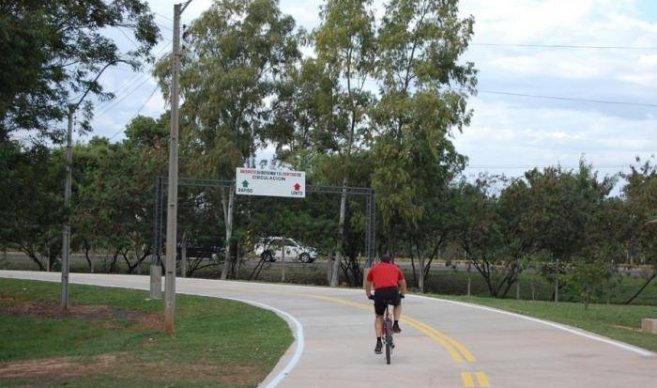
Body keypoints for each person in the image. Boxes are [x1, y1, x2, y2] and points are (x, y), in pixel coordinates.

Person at [365, 253, 407, 354]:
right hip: (393, 291)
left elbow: (368, 283)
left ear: (380, 261)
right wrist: (402, 294)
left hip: (379, 293)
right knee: (398, 303)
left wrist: (369, 295)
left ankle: (379, 342)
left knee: (379, 316)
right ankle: (396, 324)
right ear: (390, 261)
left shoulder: (374, 268)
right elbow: (403, 282)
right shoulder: (395, 268)